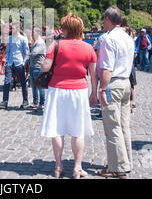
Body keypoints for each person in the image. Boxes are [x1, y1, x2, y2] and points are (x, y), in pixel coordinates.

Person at [39, 13, 97, 179]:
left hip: (57, 90)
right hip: (79, 90)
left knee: (57, 129)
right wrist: (94, 93)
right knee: (77, 131)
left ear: (66, 29)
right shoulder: (88, 48)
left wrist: (45, 60)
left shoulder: (55, 45)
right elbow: (93, 75)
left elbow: (45, 68)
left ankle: (58, 166)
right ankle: (77, 168)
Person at [97, 6, 135, 179]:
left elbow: (107, 68)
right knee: (124, 126)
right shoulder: (128, 38)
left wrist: (103, 89)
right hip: (126, 83)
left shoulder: (109, 39)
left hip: (113, 84)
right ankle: (126, 162)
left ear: (107, 19)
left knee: (112, 127)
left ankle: (117, 168)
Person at [0, 22, 30, 110]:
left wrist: (23, 63)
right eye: (11, 28)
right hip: (10, 63)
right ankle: (5, 101)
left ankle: (25, 101)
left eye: (13, 28)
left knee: (23, 83)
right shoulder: (9, 38)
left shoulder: (23, 39)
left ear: (18, 29)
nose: (11, 30)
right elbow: (7, 51)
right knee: (7, 82)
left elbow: (27, 53)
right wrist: (7, 61)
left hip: (19, 63)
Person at [28, 27, 47, 111]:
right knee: (33, 86)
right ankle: (35, 102)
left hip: (38, 67)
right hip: (33, 66)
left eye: (33, 32)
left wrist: (27, 55)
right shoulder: (36, 42)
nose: (32, 34)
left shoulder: (40, 42)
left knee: (40, 87)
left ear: (38, 33)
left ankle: (42, 104)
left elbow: (34, 54)